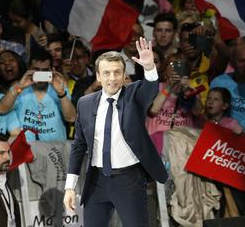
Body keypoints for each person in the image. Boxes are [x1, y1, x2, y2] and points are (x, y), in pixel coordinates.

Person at [63, 38, 168, 227]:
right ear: (98, 76)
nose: (112, 78)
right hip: (96, 181)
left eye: (117, 72)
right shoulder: (85, 103)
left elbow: (150, 89)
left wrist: (150, 67)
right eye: (107, 73)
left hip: (128, 180)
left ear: (123, 74)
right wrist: (70, 187)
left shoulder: (134, 95)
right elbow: (78, 146)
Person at [0, 49, 76, 141]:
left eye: (45, 70)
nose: (41, 74)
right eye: (36, 70)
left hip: (55, 150)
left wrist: (61, 93)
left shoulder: (59, 88)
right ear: (29, 70)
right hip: (27, 150)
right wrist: (19, 87)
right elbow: (0, 110)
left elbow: (71, 118)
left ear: (52, 70)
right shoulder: (19, 89)